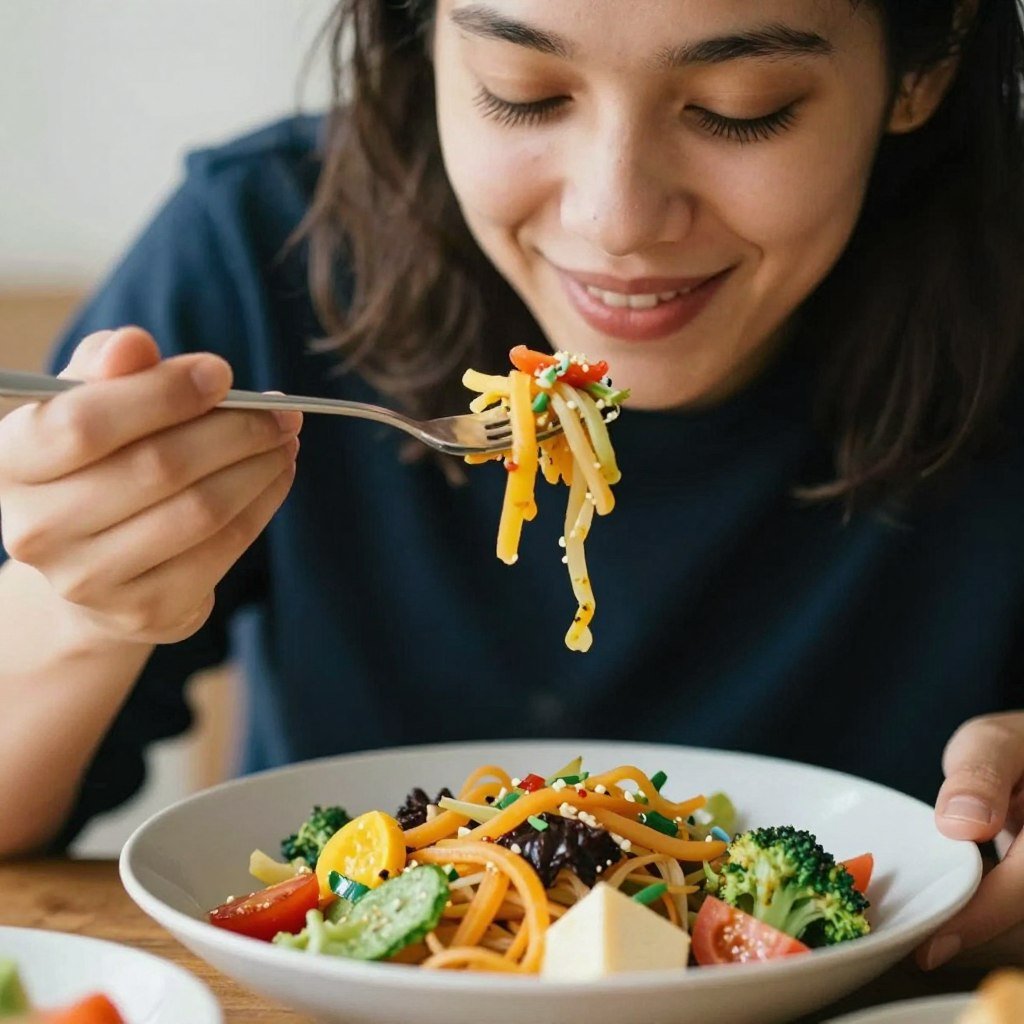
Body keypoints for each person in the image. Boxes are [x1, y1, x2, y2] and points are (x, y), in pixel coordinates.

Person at [0, 0, 1021, 972]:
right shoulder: (262, 243)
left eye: (739, 108)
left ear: (920, 69)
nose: (615, 218)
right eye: (522, 92)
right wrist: (79, 614)